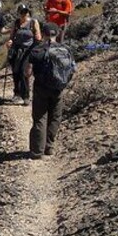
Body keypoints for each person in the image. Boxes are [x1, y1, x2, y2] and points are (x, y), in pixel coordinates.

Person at [28, 22, 76, 158]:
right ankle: (49, 147)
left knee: (40, 118)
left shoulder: (37, 50)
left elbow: (28, 72)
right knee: (55, 117)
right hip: (58, 88)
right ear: (58, 33)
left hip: (41, 88)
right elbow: (73, 69)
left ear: (43, 34)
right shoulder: (66, 50)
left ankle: (37, 151)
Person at [6, 4, 42, 105]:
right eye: (22, 12)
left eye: (26, 12)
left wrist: (38, 40)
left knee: (24, 71)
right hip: (16, 50)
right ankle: (17, 93)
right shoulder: (16, 23)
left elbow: (38, 36)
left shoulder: (33, 22)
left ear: (29, 12)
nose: (24, 14)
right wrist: (9, 42)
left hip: (28, 50)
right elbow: (11, 36)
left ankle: (25, 96)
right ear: (19, 13)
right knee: (15, 71)